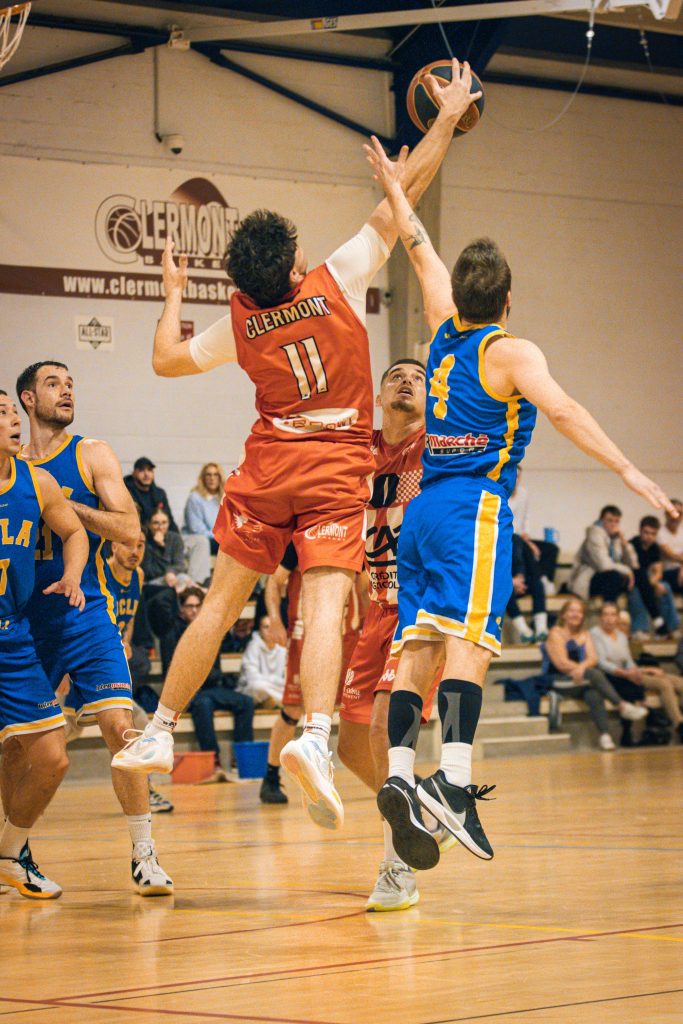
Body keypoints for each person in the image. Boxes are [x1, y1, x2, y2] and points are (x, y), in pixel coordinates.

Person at [112, 59, 481, 834]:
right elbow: (404, 198)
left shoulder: (239, 322)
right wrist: (445, 120)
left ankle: (158, 729)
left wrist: (173, 296)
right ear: (291, 265)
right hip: (333, 464)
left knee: (219, 602)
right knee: (320, 601)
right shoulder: (332, 281)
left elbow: (165, 361)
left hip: (265, 464)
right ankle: (313, 735)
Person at [363, 134, 675, 871]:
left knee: (418, 646)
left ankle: (401, 776)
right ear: (507, 299)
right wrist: (630, 471)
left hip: (419, 511)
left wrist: (395, 185)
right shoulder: (509, 350)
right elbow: (563, 410)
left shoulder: (442, 327)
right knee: (470, 644)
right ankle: (453, 781)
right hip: (471, 509)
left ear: (463, 294)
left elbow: (416, 245)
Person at [9, 361, 173, 896]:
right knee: (18, 748)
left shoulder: (90, 454)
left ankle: (144, 855)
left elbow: (129, 527)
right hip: (24, 621)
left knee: (121, 729)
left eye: (71, 384)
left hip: (85, 611)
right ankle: (14, 851)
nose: (67, 391)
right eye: (53, 384)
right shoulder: (10, 463)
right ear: (27, 399)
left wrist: (63, 506)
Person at [336, 359, 450, 912]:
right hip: (376, 608)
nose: (407, 381)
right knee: (350, 745)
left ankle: (398, 866)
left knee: (385, 727)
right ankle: (421, 814)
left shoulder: (437, 447)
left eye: (418, 378)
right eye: (396, 376)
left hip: (421, 607)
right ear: (378, 395)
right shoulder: (358, 452)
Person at [0, 390, 88, 899]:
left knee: (52, 757)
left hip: (12, 637)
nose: (14, 420)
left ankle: (9, 854)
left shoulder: (36, 481)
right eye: (2, 414)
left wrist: (72, 576)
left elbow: (74, 532)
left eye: (14, 412)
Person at [258, 545, 362, 806]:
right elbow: (273, 583)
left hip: (348, 635)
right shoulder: (299, 542)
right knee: (293, 708)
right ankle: (270, 776)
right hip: (305, 633)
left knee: (362, 705)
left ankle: (393, 773)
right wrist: (275, 620)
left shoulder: (356, 536)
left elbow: (364, 587)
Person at [148, 586, 255, 779]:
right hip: (187, 693)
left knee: (246, 702)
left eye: (198, 606)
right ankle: (213, 760)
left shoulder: (210, 631)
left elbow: (216, 671)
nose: (194, 610)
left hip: (211, 687)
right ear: (181, 609)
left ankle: (241, 760)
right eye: (189, 606)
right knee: (203, 704)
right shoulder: (172, 633)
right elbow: (170, 671)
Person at [105, 534, 173, 813]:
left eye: (140, 546)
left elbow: (129, 616)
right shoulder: (101, 572)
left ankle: (144, 792)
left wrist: (126, 640)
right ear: (113, 546)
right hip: (87, 665)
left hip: (109, 665)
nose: (135, 551)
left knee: (139, 722)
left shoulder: (139, 575)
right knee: (55, 738)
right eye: (127, 544)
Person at [543, 598, 646, 750]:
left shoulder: (585, 634)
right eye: (571, 611)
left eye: (579, 611)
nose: (575, 614)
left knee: (593, 692)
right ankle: (622, 705)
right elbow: (561, 663)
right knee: (594, 674)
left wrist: (581, 668)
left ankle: (605, 736)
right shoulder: (555, 633)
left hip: (581, 680)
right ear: (563, 614)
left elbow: (593, 658)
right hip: (558, 680)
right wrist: (582, 668)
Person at [591, 602, 683, 745]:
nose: (609, 618)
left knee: (680, 682)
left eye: (613, 614)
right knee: (664, 683)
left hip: (631, 672)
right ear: (600, 617)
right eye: (605, 614)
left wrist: (635, 670)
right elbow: (601, 662)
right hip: (613, 675)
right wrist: (631, 672)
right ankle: (679, 724)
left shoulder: (621, 636)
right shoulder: (594, 634)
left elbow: (628, 661)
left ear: (617, 617)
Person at [568, 505, 638, 603]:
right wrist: (627, 571)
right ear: (601, 521)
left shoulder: (615, 538)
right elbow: (604, 566)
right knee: (613, 576)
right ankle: (609, 609)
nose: (613, 524)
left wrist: (624, 542)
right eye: (610, 520)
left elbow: (634, 565)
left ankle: (653, 613)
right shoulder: (594, 534)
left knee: (640, 575)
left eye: (616, 521)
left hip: (609, 579)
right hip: (589, 578)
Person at [629, 515, 680, 639]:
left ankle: (672, 628)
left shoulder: (655, 548)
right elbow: (634, 570)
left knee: (665, 587)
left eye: (653, 534)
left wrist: (654, 583)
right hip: (632, 580)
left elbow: (658, 571)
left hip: (647, 581)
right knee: (637, 590)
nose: (649, 537)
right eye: (646, 532)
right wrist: (651, 584)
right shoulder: (632, 545)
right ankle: (640, 629)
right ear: (640, 531)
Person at [509, 466, 559, 592]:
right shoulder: (499, 494)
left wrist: (526, 534)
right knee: (521, 546)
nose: (515, 479)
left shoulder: (523, 493)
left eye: (518, 476)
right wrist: (526, 542)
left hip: (521, 537)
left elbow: (526, 517)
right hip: (508, 539)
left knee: (551, 549)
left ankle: (544, 579)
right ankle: (526, 579)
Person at [505, 533, 548, 643]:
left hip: (519, 580)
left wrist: (519, 578)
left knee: (537, 584)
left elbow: (522, 560)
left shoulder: (514, 538)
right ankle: (524, 630)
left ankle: (541, 628)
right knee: (505, 590)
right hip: (499, 583)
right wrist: (510, 581)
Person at [238, 615, 286, 706]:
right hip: (252, 688)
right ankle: (284, 702)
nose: (270, 630)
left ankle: (273, 701)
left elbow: (287, 680)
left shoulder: (282, 650)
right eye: (266, 627)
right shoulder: (253, 646)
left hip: (273, 687)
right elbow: (252, 677)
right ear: (260, 630)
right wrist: (275, 680)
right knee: (257, 686)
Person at [124, 456, 178, 531]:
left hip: (160, 532)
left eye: (149, 470)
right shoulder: (126, 493)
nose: (146, 474)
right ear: (134, 473)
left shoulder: (160, 493)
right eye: (141, 470)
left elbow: (169, 520)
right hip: (137, 533)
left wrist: (177, 537)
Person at [183, 462, 224, 556]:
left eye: (216, 475)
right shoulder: (194, 498)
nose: (212, 478)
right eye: (208, 475)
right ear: (203, 478)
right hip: (202, 540)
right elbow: (197, 530)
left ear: (220, 478)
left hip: (219, 539)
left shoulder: (224, 498)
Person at [659, 498, 683, 596]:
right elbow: (670, 555)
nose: (676, 516)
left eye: (680, 513)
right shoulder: (659, 533)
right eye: (672, 512)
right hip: (667, 573)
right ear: (666, 513)